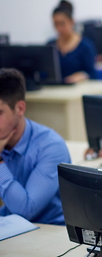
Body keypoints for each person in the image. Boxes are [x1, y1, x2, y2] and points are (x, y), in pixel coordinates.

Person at [0, 68, 71, 224]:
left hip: (50, 233)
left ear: (20, 108)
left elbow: (26, 210)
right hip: (9, 227)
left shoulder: (51, 146)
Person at [47, 0, 97, 83]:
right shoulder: (50, 46)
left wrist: (82, 76)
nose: (59, 28)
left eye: (62, 23)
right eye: (55, 24)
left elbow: (93, 74)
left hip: (78, 90)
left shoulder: (85, 46)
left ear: (72, 22)